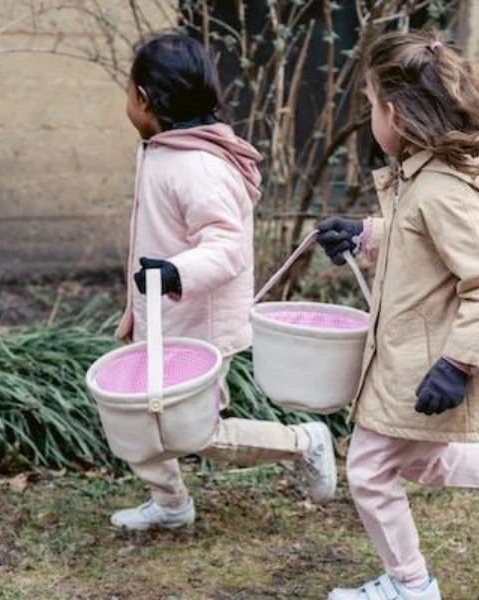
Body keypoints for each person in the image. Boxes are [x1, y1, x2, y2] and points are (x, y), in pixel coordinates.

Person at [315, 31, 479, 600]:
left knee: (370, 471)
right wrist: (364, 236)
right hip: (410, 355)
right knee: (422, 461)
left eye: (372, 107)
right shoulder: (420, 174)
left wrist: (457, 363)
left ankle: (411, 585)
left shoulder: (441, 188)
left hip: (426, 360)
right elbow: (420, 247)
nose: (370, 119)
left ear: (397, 114)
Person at [108, 33, 336, 531]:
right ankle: (170, 503)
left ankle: (304, 443)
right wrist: (139, 309)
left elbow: (226, 247)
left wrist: (172, 274)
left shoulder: (197, 166)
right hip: (166, 316)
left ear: (144, 99)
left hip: (198, 323)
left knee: (194, 432)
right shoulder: (166, 150)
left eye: (128, 89)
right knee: (134, 414)